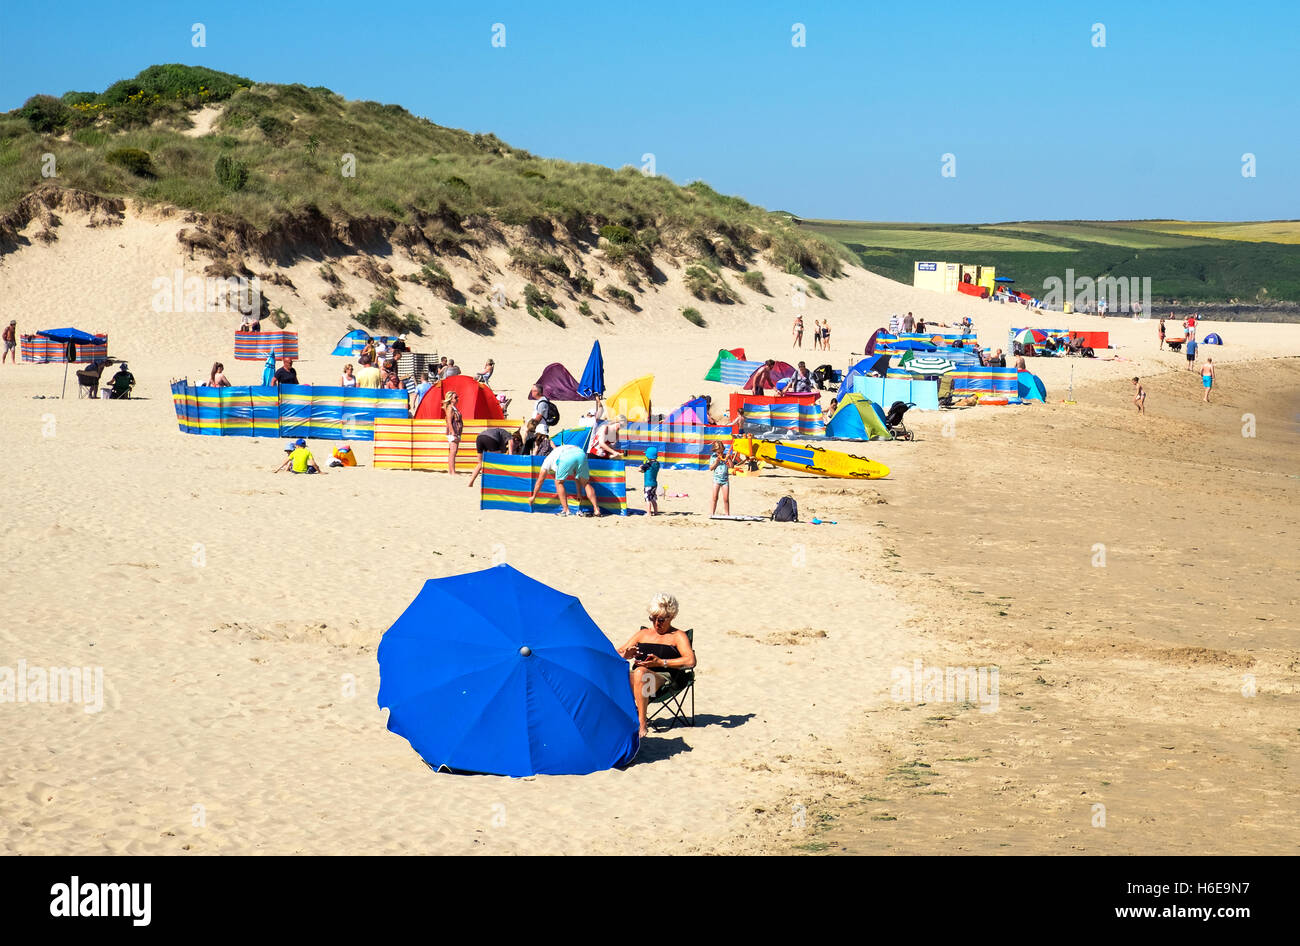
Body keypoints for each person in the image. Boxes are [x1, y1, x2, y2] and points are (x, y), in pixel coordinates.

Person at [619, 594, 696, 738]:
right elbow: (617, 653)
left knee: (641, 673)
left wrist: (661, 663)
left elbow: (690, 660)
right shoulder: (643, 634)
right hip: (638, 678)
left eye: (660, 619)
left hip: (663, 679)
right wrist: (626, 655)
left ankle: (641, 724)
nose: (656, 623)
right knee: (615, 674)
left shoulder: (677, 636)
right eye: (652, 618)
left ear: (671, 616)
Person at [528, 443, 602, 517]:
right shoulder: (559, 449)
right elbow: (576, 476)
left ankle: (566, 510)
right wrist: (579, 493)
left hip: (567, 456)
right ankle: (596, 509)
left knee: (558, 482)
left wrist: (534, 496)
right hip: (581, 453)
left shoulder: (547, 461)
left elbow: (540, 481)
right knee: (585, 483)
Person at [708, 442, 730, 517]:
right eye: (718, 452)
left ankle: (727, 514)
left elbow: (732, 466)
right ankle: (712, 513)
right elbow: (711, 468)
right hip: (716, 480)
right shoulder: (713, 457)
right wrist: (716, 461)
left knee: (726, 498)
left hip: (725, 481)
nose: (720, 454)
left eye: (721, 452)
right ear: (715, 451)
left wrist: (729, 459)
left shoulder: (725, 456)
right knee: (714, 497)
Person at [444, 391, 463, 474]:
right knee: (453, 451)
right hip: (453, 432)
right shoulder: (450, 408)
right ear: (451, 399)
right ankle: (452, 471)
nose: (457, 399)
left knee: (454, 452)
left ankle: (451, 471)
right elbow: (449, 421)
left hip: (456, 431)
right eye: (455, 397)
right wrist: (453, 433)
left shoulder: (454, 408)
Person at [640, 446, 661, 515]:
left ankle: (648, 513)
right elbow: (647, 470)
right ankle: (656, 512)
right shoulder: (657, 464)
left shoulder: (647, 464)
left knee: (648, 499)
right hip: (654, 484)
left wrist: (641, 466)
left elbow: (640, 470)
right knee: (653, 499)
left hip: (648, 484)